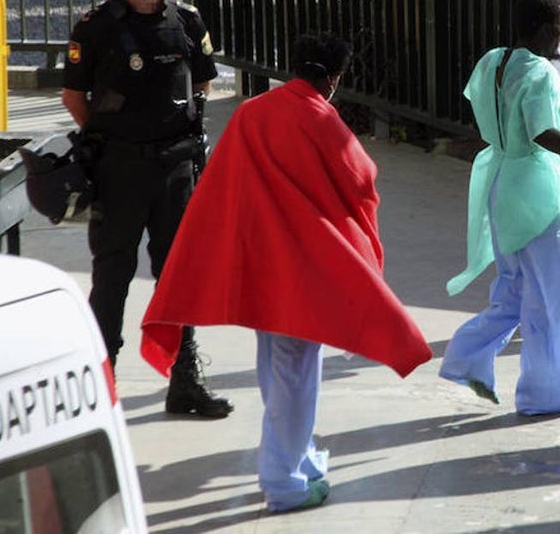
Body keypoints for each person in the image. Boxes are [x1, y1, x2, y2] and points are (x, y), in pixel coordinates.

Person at [140, 32, 433, 513]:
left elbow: (220, 184)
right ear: (333, 79)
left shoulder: (251, 113)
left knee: (276, 371)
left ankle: (293, 460)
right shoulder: (323, 120)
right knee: (298, 374)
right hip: (303, 272)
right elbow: (362, 182)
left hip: (259, 267)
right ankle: (285, 480)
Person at [61, 0, 231, 418]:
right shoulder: (95, 27)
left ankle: (184, 380)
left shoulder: (188, 22)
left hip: (175, 168)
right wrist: (107, 136)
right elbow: (74, 95)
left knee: (178, 276)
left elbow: (202, 84)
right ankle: (102, 382)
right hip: (119, 169)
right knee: (112, 274)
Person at [440, 0, 560, 414]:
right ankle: (546, 395)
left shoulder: (494, 60)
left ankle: (467, 360)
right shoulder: (539, 71)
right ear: (543, 29)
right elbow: (544, 132)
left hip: (498, 181)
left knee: (514, 291)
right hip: (532, 191)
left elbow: (483, 107)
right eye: (559, 28)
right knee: (556, 298)